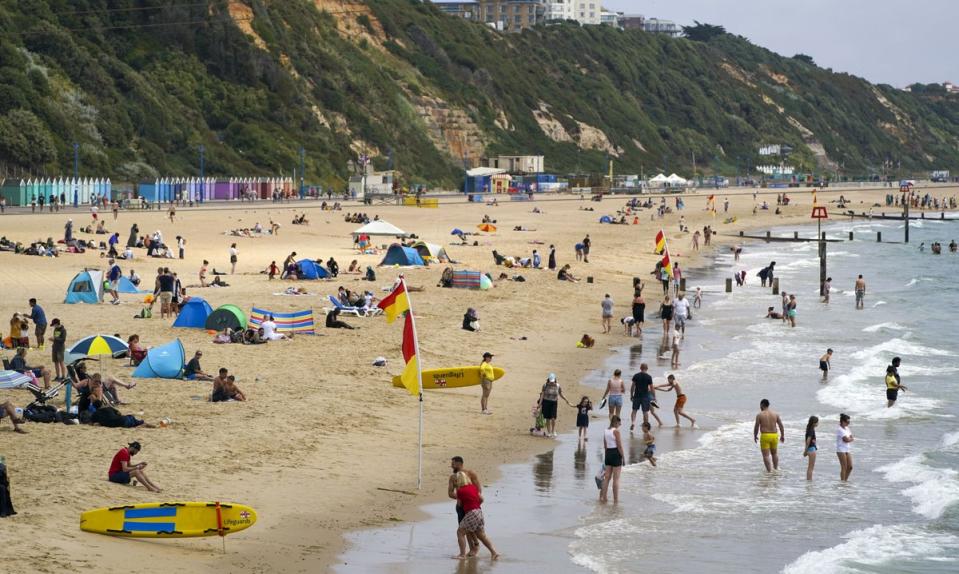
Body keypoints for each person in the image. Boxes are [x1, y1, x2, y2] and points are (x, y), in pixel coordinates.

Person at [451, 471, 499, 560]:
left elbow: (459, 505)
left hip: (471, 512)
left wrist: (466, 504)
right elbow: (481, 499)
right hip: (479, 511)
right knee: (481, 535)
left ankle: (462, 554)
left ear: (458, 481)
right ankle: (494, 552)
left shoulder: (460, 491)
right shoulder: (473, 487)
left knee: (460, 532)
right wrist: (475, 504)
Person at [448, 457, 481, 556]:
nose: (451, 466)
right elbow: (450, 493)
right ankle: (469, 550)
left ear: (459, 464)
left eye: (453, 464)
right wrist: (460, 497)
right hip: (460, 506)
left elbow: (478, 489)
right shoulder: (453, 477)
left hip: (471, 505)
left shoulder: (471, 473)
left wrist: (470, 499)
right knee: (463, 530)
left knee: (473, 529)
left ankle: (474, 547)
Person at [753, 399, 785, 472]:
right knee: (774, 453)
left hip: (765, 436)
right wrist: (782, 435)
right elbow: (781, 425)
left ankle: (769, 471)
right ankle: (776, 469)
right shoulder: (775, 414)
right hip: (774, 435)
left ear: (762, 405)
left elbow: (756, 427)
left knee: (766, 455)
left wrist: (755, 435)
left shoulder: (759, 415)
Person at [599, 415, 624, 503]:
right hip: (616, 453)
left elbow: (605, 445)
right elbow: (619, 445)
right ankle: (616, 500)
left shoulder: (606, 431)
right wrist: (623, 457)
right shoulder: (616, 431)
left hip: (608, 453)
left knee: (607, 478)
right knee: (616, 479)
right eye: (619, 423)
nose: (620, 424)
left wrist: (606, 456)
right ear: (615, 422)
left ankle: (604, 497)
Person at [537, 373, 571, 437]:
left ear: (555, 379)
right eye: (550, 381)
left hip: (554, 403)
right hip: (546, 402)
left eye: (552, 380)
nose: (551, 382)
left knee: (553, 418)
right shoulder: (545, 385)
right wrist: (539, 404)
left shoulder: (558, 386)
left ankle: (553, 431)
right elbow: (542, 395)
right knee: (547, 418)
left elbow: (560, 394)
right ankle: (549, 432)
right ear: (548, 379)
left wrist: (566, 400)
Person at [629, 363, 661, 430]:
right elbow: (652, 388)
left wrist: (631, 395)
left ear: (640, 368)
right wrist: (654, 397)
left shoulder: (636, 376)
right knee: (645, 412)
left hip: (637, 396)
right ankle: (646, 425)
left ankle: (633, 423)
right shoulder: (649, 377)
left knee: (634, 410)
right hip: (645, 397)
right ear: (647, 369)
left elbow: (632, 387)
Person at [836, 414, 854, 481]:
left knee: (850, 467)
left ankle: (844, 480)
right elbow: (846, 440)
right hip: (841, 450)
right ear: (843, 421)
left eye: (849, 422)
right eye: (847, 422)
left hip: (847, 449)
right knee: (844, 467)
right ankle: (843, 482)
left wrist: (849, 439)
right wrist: (849, 439)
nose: (848, 423)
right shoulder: (839, 429)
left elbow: (851, 437)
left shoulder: (847, 428)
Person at [804, 416, 819, 481]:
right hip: (811, 449)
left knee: (810, 467)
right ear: (813, 423)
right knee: (811, 468)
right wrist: (805, 450)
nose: (818, 423)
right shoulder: (811, 430)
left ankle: (808, 481)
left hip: (811, 449)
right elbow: (808, 440)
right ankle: (809, 481)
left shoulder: (809, 429)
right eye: (817, 422)